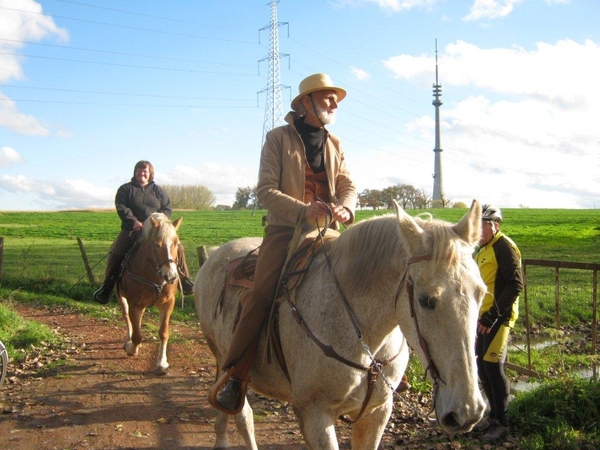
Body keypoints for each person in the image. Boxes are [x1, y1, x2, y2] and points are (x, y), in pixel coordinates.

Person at [210, 73, 358, 414]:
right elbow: (266, 191)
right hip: (285, 232)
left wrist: (346, 206)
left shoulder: (335, 143)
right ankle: (236, 374)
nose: (334, 103)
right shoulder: (277, 138)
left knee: (370, 277)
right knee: (261, 294)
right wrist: (302, 210)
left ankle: (384, 368)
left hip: (331, 229)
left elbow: (348, 183)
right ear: (306, 102)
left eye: (335, 99)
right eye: (327, 98)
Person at [93, 160, 194, 304]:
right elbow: (122, 207)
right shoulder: (126, 189)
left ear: (150, 173)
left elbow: (167, 208)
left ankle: (185, 280)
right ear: (135, 172)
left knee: (178, 247)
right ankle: (107, 287)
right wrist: (133, 221)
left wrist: (161, 222)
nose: (142, 173)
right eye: (139, 170)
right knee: (116, 252)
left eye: (145, 171)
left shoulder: (158, 191)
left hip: (156, 230)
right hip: (133, 229)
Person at [473, 204, 524, 441]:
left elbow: (515, 285)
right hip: (483, 318)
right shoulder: (483, 249)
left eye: (483, 225)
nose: (479, 230)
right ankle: (493, 417)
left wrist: (493, 315)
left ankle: (503, 422)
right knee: (483, 368)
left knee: (494, 368)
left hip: (499, 318)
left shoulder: (504, 246)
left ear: (495, 225)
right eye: (477, 225)